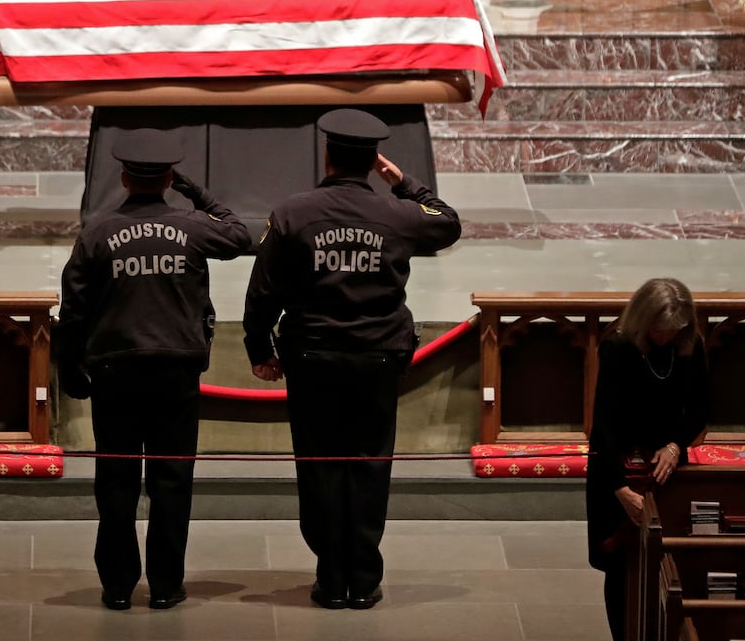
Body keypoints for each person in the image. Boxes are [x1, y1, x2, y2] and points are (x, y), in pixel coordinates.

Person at [242, 108, 461, 611]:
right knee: (369, 463)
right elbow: (447, 222)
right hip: (377, 358)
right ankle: (362, 578)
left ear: (327, 154)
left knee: (318, 463)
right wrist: (405, 183)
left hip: (312, 356)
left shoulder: (294, 212)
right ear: (373, 162)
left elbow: (263, 290)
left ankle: (329, 574)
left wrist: (260, 349)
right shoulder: (397, 213)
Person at [54, 129, 252, 612]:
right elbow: (241, 235)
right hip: (175, 376)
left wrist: (70, 368)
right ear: (168, 178)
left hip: (115, 375)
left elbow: (74, 309)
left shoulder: (97, 233)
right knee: (171, 482)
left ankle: (118, 586)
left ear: (123, 177)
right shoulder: (192, 227)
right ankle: (165, 585)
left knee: (116, 482)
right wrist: (195, 192)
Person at [586, 277, 709, 641]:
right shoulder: (618, 345)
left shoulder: (690, 344)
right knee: (621, 566)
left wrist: (676, 446)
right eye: (660, 328)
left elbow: (701, 408)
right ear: (644, 318)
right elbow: (604, 424)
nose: (666, 336)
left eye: (675, 329)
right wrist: (619, 489)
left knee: (668, 560)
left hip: (666, 464)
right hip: (616, 465)